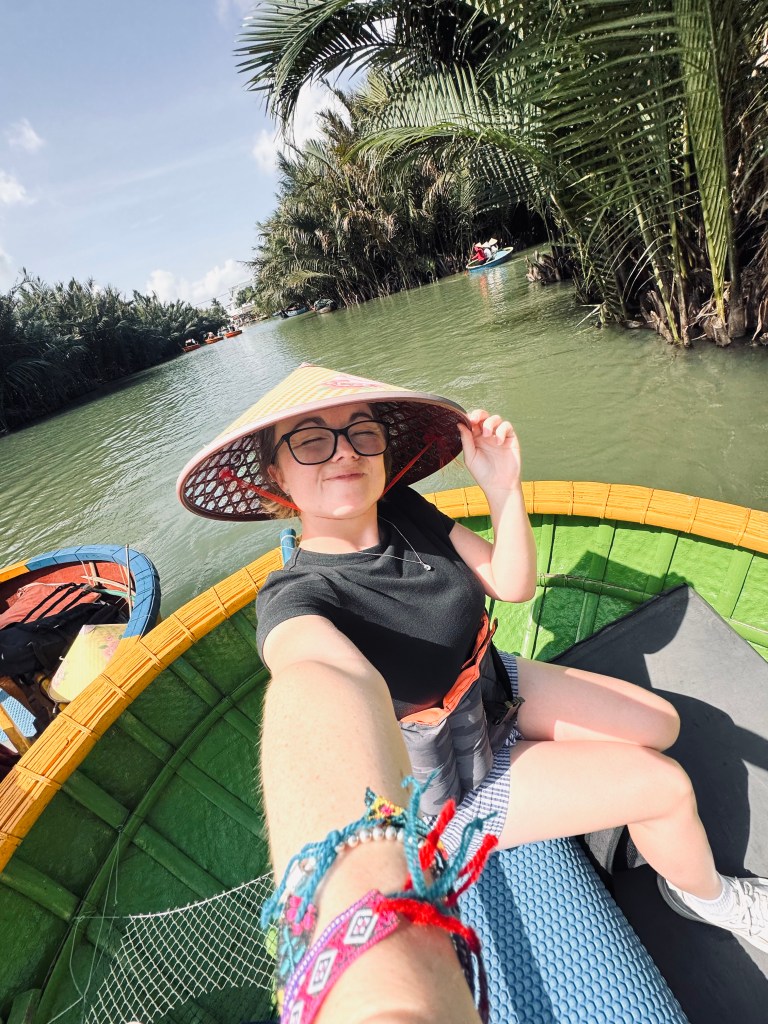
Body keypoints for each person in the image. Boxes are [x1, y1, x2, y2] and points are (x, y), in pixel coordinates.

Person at [177, 363, 768, 1024]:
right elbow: (316, 680)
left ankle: (597, 812)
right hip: (453, 783)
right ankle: (709, 897)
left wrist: (502, 488)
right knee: (663, 786)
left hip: (495, 689)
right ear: (278, 478)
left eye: (360, 434)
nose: (344, 451)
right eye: (311, 441)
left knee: (661, 723)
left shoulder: (404, 510)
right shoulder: (298, 598)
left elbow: (511, 583)